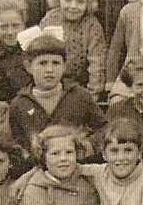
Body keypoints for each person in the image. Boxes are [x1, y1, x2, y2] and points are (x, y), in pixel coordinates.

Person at [7, 33, 105, 161]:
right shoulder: (20, 104)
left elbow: (103, 128)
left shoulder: (79, 95)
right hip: (38, 172)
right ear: (29, 67)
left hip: (76, 166)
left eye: (56, 63)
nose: (49, 69)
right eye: (42, 63)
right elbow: (15, 142)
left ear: (64, 66)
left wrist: (87, 145)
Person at [38, 0, 106, 97]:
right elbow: (40, 54)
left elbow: (97, 62)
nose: (73, 6)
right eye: (68, 0)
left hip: (80, 85)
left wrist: (93, 92)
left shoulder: (92, 25)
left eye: (80, 2)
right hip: (51, 81)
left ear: (87, 4)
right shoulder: (49, 20)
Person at [0, 0, 32, 105]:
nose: (10, 32)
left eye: (15, 26)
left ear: (24, 25)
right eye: (3, 27)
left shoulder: (32, 54)